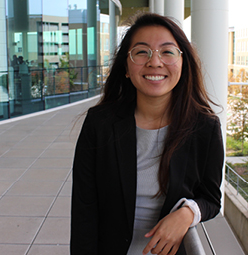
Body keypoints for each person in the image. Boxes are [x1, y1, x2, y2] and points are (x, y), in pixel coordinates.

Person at [70, 12, 224, 255]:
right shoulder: (99, 124)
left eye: (167, 51)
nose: (155, 62)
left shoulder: (204, 127)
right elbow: (83, 211)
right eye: (142, 52)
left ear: (183, 64)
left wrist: (187, 214)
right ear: (126, 68)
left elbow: (212, 200)